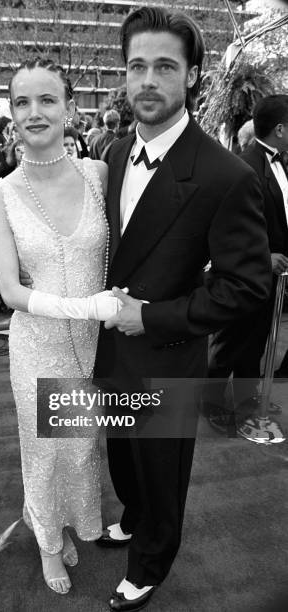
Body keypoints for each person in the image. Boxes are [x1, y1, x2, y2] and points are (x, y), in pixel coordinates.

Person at [92, 7, 271, 611]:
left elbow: (246, 287)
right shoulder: (116, 153)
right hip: (113, 346)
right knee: (123, 451)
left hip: (167, 350)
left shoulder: (226, 174)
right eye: (136, 66)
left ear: (192, 75)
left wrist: (153, 316)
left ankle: (152, 560)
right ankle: (133, 514)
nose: (147, 80)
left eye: (164, 67)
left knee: (160, 464)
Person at [0, 57, 121, 596]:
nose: (34, 112)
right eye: (23, 102)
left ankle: (69, 522)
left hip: (95, 347)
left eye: (47, 100)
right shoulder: (2, 193)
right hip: (38, 346)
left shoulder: (98, 174)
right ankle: (47, 542)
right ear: (11, 113)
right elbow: (10, 292)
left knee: (83, 445)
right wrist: (87, 308)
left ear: (69, 106)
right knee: (44, 447)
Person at [207, 95, 288, 422]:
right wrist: (263, 256)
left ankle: (245, 399)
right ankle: (210, 403)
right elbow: (224, 225)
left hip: (271, 279)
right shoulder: (243, 165)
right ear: (280, 129)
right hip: (245, 274)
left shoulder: (280, 161)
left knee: (255, 340)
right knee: (229, 342)